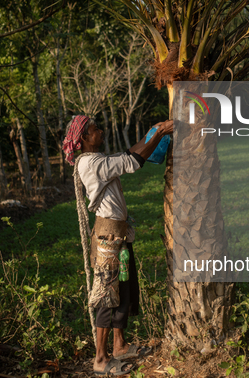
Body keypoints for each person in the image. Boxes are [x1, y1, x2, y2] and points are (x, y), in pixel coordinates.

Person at [63, 115, 173, 376]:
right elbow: (131, 161)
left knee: (122, 287)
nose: (100, 131)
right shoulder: (91, 163)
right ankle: (101, 359)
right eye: (94, 130)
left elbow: (128, 153)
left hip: (117, 233)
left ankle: (120, 345)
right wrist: (158, 132)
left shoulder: (96, 159)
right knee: (106, 295)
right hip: (108, 238)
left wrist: (152, 133)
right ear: (84, 140)